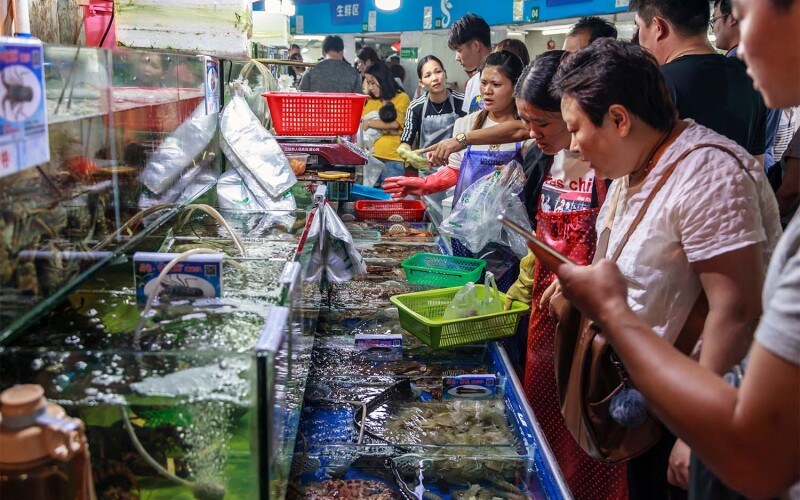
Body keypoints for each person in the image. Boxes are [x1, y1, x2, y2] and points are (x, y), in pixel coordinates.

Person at [554, 0, 800, 489]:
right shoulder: (635, 168)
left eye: (578, 129)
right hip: (651, 394)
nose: (574, 147)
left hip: (695, 410)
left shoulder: (708, 173)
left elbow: (735, 310)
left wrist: (697, 436)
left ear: (620, 119)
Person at [503, 50, 627, 500]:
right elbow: (539, 242)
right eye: (526, 122)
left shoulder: (609, 169)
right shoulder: (547, 160)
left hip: (588, 326)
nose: (534, 134)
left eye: (545, 124)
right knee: (541, 420)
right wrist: (516, 294)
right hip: (544, 314)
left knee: (586, 433)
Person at [383, 51, 530, 290]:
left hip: (507, 238)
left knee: (504, 305)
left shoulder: (526, 129)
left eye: (496, 84)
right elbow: (455, 171)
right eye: (483, 83)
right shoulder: (466, 123)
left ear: (515, 87)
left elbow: (520, 138)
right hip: (468, 233)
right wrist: (426, 185)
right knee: (469, 302)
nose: (487, 91)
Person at [630, 0, 768, 161]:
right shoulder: (751, 80)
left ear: (658, 27)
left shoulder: (654, 84)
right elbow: (757, 164)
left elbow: (636, 168)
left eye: (639, 27)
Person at [711, 0, 783, 189]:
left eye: (714, 19)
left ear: (732, 18)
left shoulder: (733, 70)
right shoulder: (767, 64)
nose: (713, 28)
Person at [362, 62, 411, 185]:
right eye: (368, 83)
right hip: (371, 159)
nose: (371, 87)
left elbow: (395, 124)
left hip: (392, 160)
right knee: (369, 200)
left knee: (390, 201)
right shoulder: (371, 101)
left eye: (373, 83)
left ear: (382, 79)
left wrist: (369, 123)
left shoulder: (401, 97)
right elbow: (363, 123)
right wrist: (369, 123)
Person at [448, 13, 493, 114]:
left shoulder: (508, 79)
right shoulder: (471, 84)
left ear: (476, 46)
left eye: (459, 51)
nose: (457, 58)